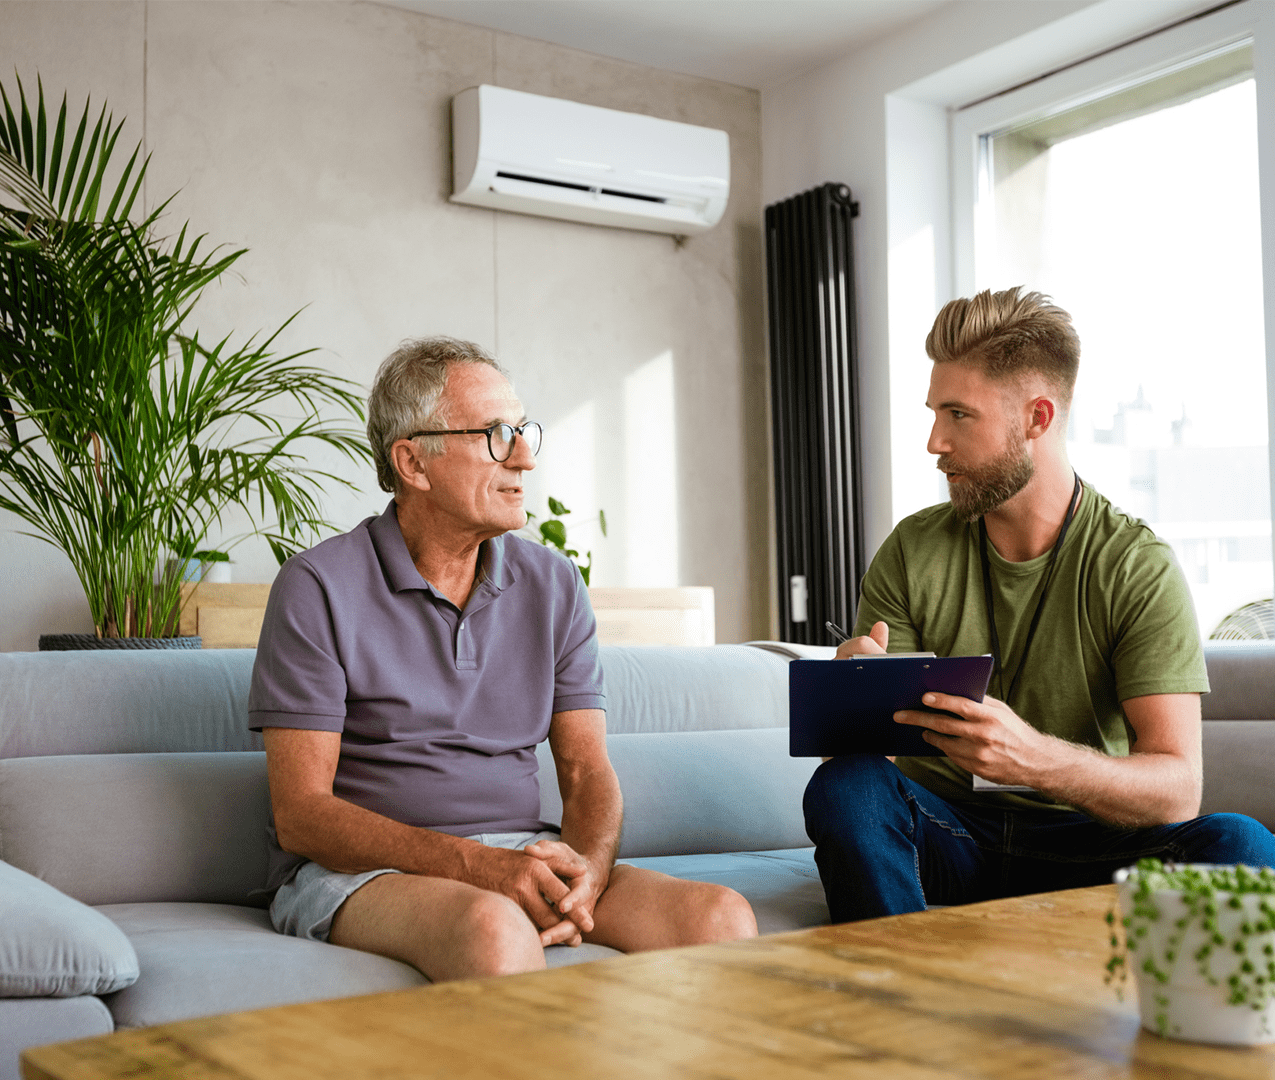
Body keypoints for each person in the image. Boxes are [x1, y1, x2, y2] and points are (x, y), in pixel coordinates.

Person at [249, 336, 757, 981]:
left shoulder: (553, 583)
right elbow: (302, 816)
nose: (525, 456)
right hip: (360, 875)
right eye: (494, 433)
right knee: (494, 927)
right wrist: (481, 869)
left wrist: (588, 879)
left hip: (520, 855)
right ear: (413, 462)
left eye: (523, 430)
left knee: (721, 918)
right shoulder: (316, 586)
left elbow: (586, 769)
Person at [803, 287, 1275, 923]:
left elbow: (1177, 790)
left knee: (1239, 843)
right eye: (933, 413)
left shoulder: (1136, 566)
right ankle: (901, 997)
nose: (933, 442)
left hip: (1092, 843)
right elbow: (864, 770)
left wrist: (1032, 758)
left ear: (1037, 417)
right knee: (846, 789)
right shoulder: (914, 549)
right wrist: (853, 706)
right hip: (949, 832)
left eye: (957, 415)